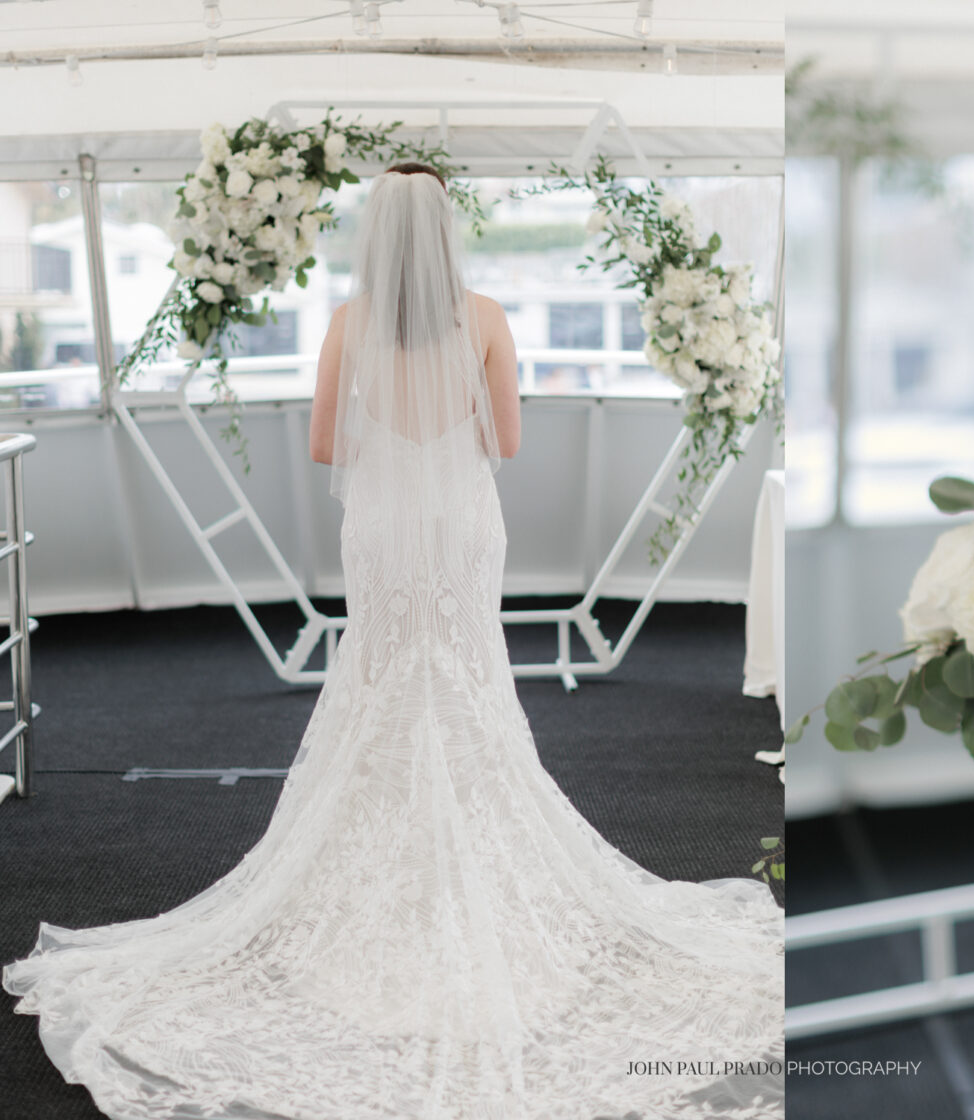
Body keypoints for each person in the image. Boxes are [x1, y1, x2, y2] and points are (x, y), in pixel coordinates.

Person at [3, 163, 784, 1119]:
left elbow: (327, 446)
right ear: (449, 232)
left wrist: (390, 424)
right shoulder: (489, 316)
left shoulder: (346, 321)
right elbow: (508, 438)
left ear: (378, 233)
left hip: (379, 525)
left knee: (382, 678)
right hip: (458, 522)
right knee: (465, 678)